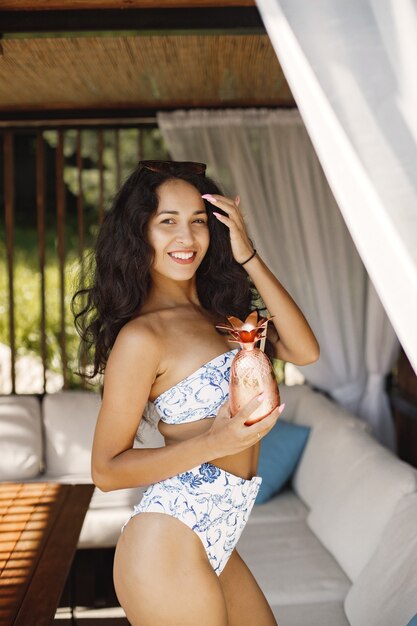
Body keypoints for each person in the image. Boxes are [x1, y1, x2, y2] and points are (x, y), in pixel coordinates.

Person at [73, 160, 320, 626]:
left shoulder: (222, 316)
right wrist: (213, 443)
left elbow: (305, 351)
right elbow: (105, 470)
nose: (186, 238)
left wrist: (248, 255)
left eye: (199, 222)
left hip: (218, 535)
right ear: (138, 233)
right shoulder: (142, 338)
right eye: (167, 222)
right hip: (167, 539)